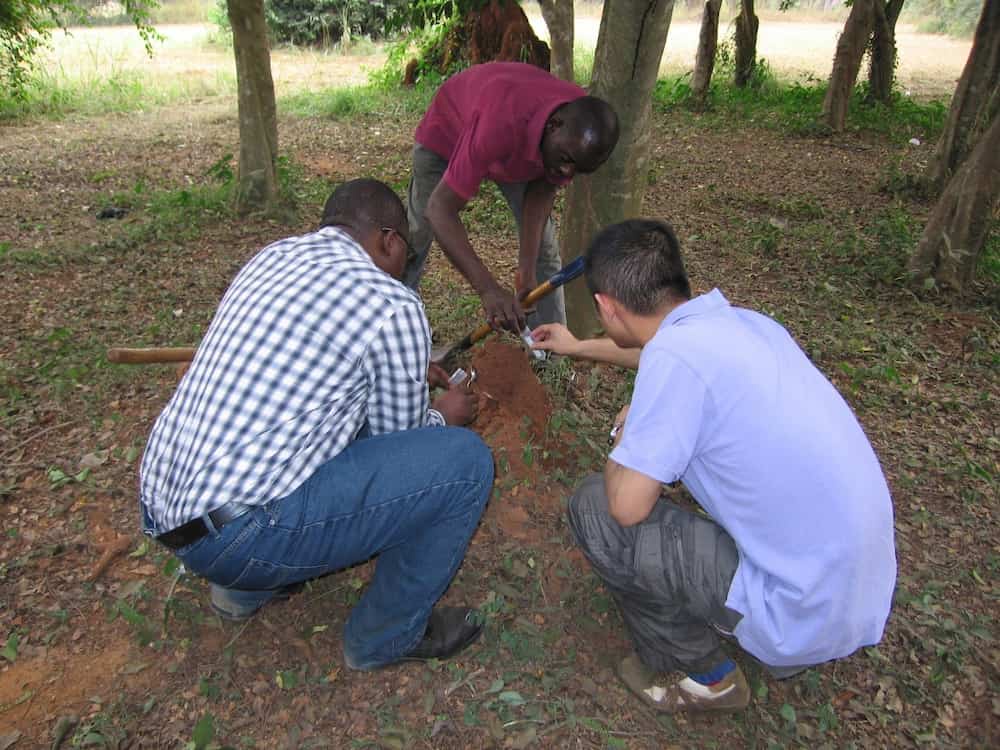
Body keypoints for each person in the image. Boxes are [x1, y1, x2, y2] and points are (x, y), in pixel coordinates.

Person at [531, 219, 896, 713]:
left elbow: (625, 507)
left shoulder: (675, 361)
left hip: (797, 612)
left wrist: (628, 431)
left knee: (595, 507)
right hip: (855, 592)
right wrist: (577, 346)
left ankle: (706, 678)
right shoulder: (744, 325)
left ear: (606, 306)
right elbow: (657, 353)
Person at [139, 178, 495, 671]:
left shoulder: (272, 257)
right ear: (389, 241)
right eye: (406, 255)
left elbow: (295, 382)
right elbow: (399, 447)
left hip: (167, 515)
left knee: (301, 431)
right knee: (465, 463)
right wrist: (442, 416)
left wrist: (405, 370)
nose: (404, 268)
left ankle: (241, 590)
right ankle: (384, 637)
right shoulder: (392, 303)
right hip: (240, 536)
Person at [405, 61, 619, 332]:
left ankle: (551, 346)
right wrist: (488, 290)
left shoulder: (574, 135)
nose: (567, 172)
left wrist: (526, 269)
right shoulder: (502, 122)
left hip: (519, 143)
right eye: (566, 160)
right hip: (448, 132)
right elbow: (439, 210)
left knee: (542, 250)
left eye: (578, 170)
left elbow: (543, 188)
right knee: (416, 238)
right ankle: (395, 323)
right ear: (553, 125)